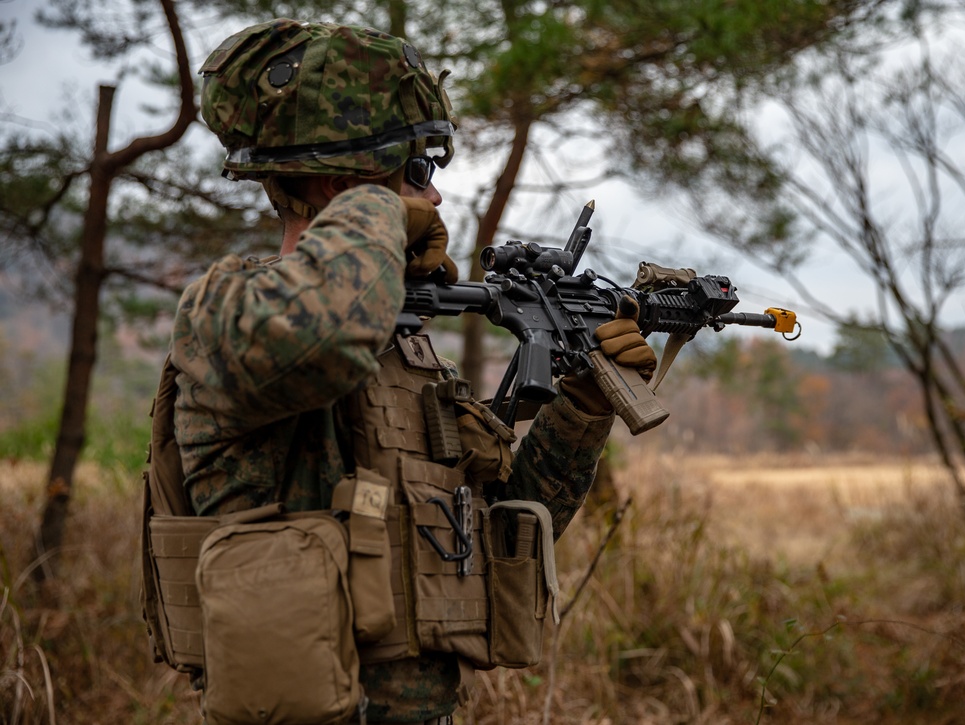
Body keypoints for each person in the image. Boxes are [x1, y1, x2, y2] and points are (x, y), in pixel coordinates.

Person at [142, 18, 657, 725]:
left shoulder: (404, 350)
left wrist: (584, 405)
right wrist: (380, 210)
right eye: (417, 172)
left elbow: (493, 532)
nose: (435, 197)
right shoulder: (225, 319)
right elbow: (322, 332)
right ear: (334, 182)